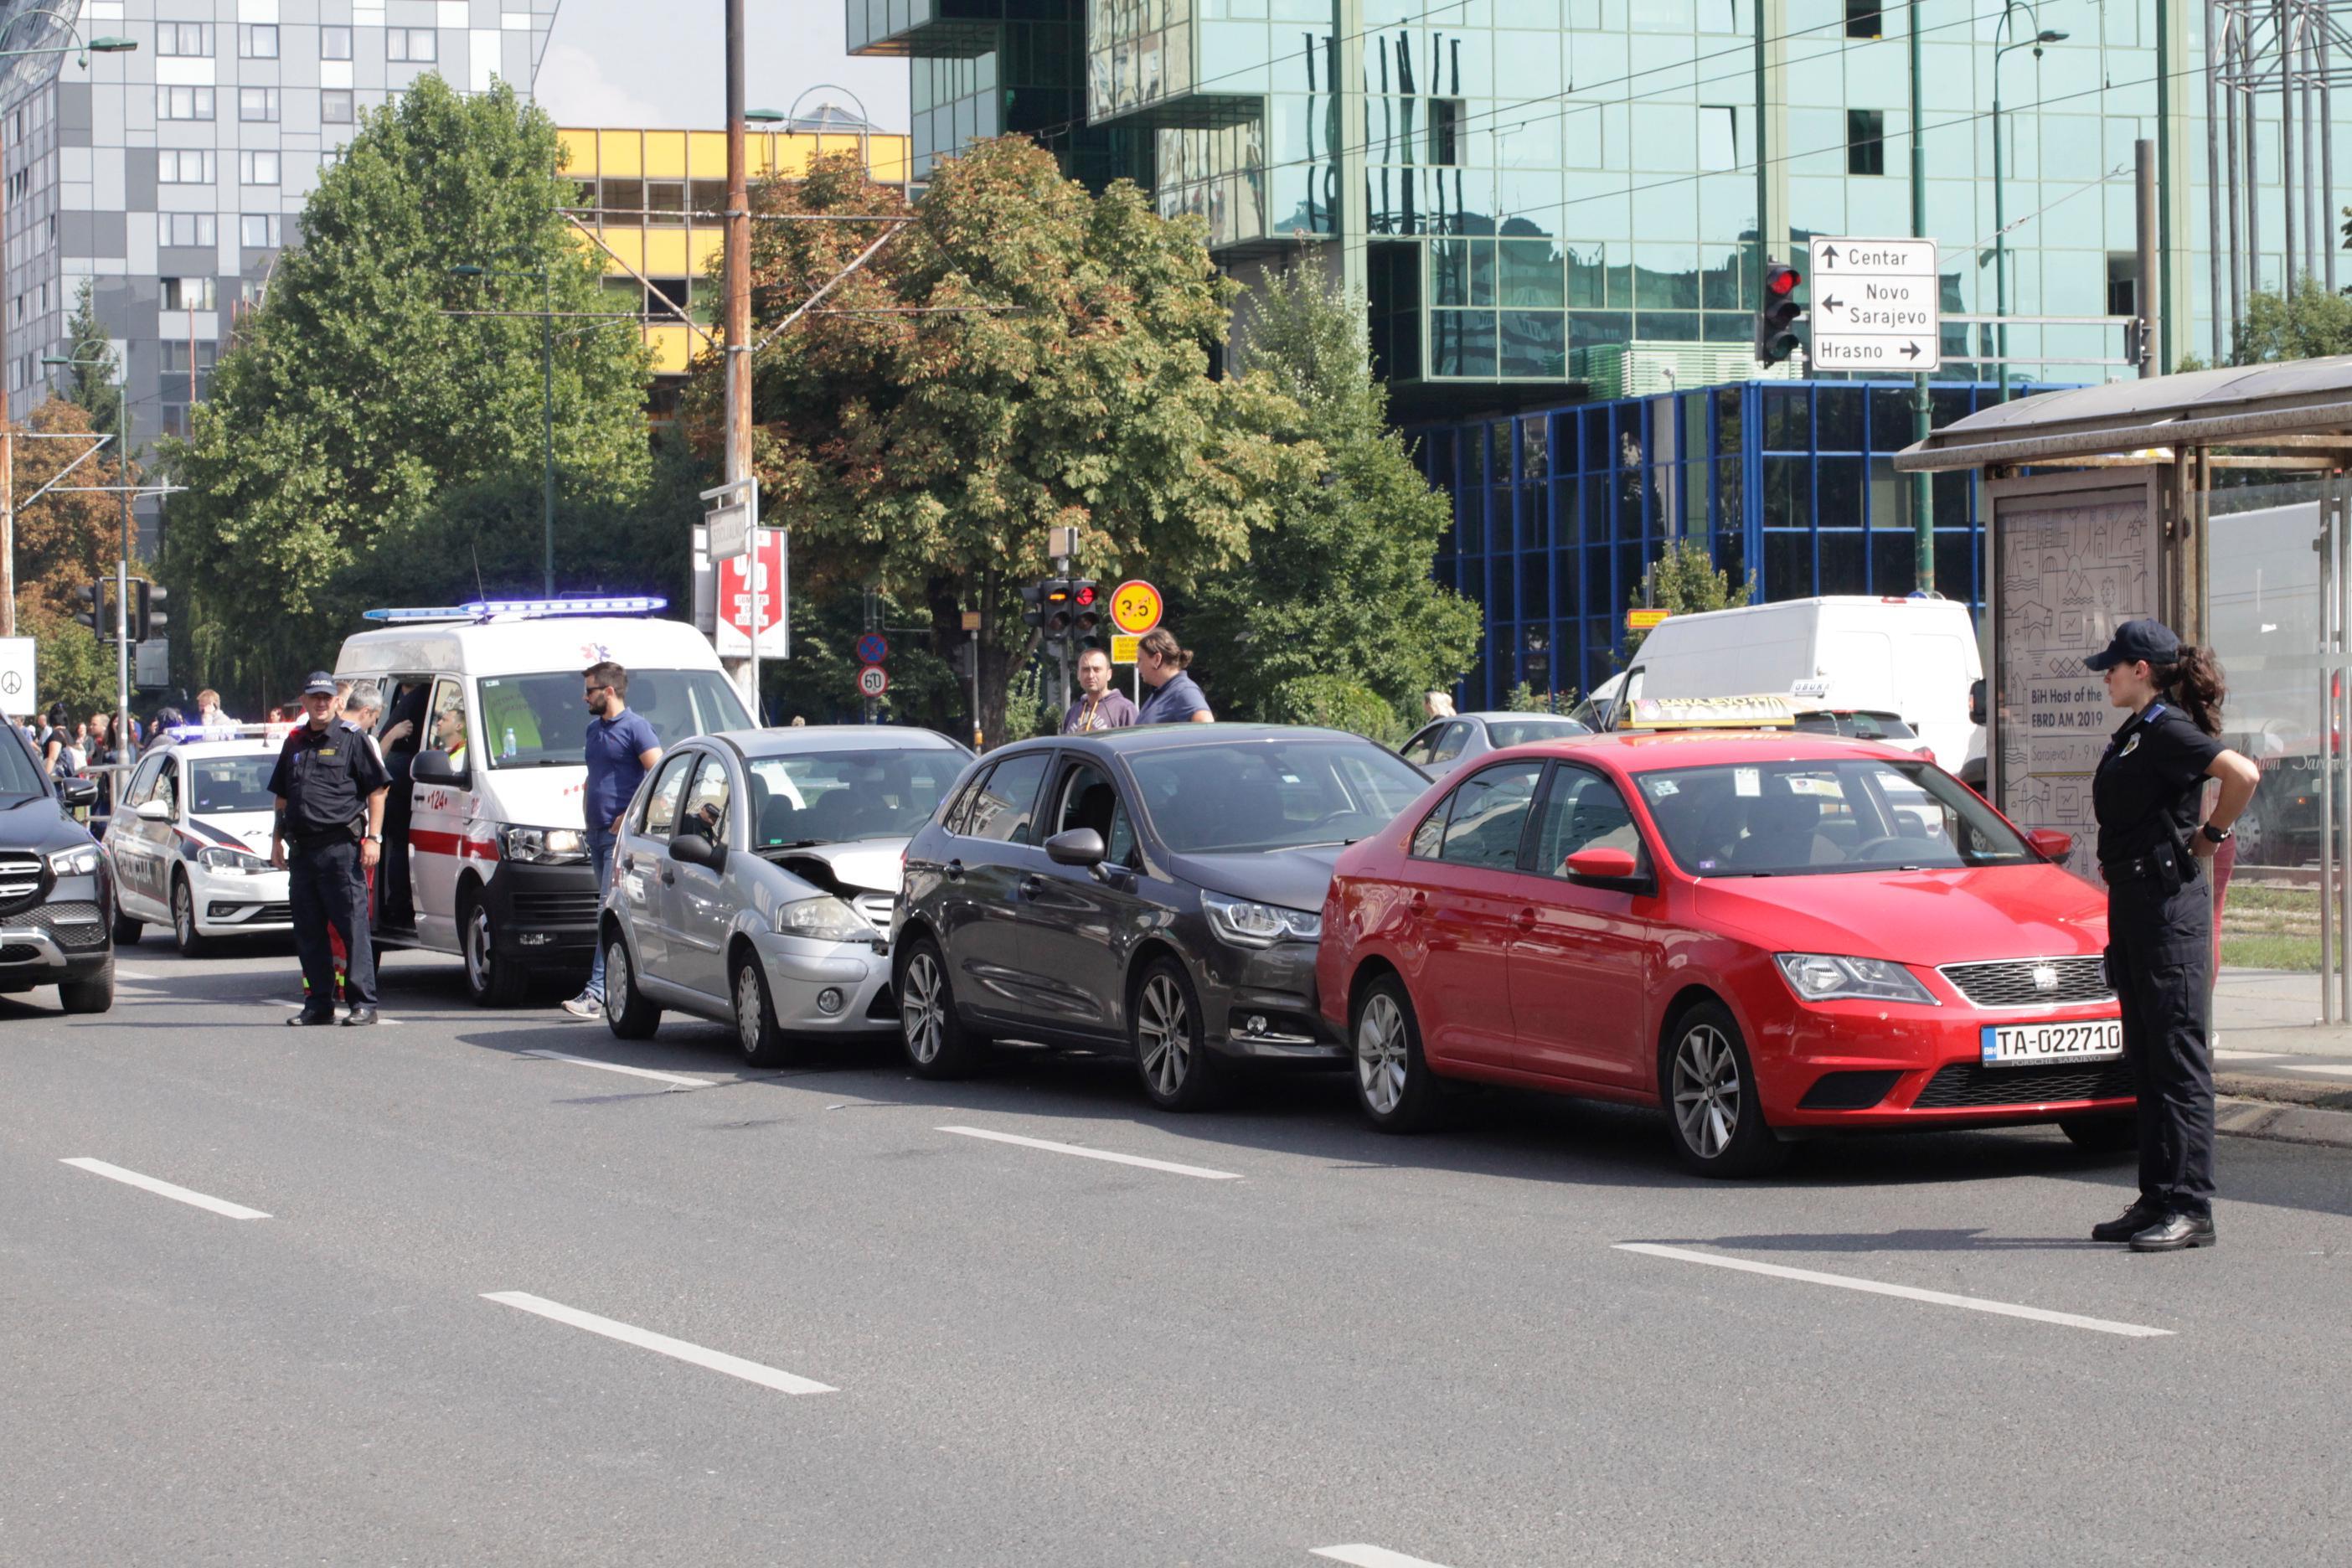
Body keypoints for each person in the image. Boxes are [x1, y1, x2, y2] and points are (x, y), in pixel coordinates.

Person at [2083, 620, 2260, 1253]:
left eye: (2113, 665)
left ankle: (2191, 1207)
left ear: (2142, 670)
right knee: (2148, 1055)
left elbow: (2241, 774)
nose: (2105, 674)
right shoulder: (2135, 733)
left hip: (2167, 909)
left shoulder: (2167, 729)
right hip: (2134, 904)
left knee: (2178, 1059)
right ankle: (2157, 1196)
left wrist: (2209, 838)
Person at [268, 672, 391, 1028]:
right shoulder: (294, 742)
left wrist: (375, 838)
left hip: (341, 849)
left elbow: (378, 791)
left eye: (326, 698)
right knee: (309, 932)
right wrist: (276, 840)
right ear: (304, 702)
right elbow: (282, 797)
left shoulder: (353, 740)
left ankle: (363, 1004)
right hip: (303, 852)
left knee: (352, 929)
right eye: (314, 698)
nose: (321, 704)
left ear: (337, 702)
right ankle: (318, 1004)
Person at [563, 661, 662, 1019]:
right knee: (613, 915)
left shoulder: (636, 728)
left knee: (606, 911)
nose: (583, 696)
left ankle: (595, 993)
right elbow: (595, 775)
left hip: (619, 839)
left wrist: (629, 816)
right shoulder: (594, 729)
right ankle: (623, 987)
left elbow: (659, 772)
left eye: (589, 690)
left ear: (608, 691)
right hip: (596, 832)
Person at [1133, 627, 1213, 725]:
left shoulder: (1184, 691)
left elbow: (1206, 724)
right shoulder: (1162, 692)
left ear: (1157, 659)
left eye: (1140, 660)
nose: (1137, 665)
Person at [1061, 645, 1138, 733]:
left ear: (1109, 674)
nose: (1091, 675)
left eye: (1097, 669)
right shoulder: (1073, 712)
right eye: (1085, 670)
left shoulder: (1124, 709)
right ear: (1078, 674)